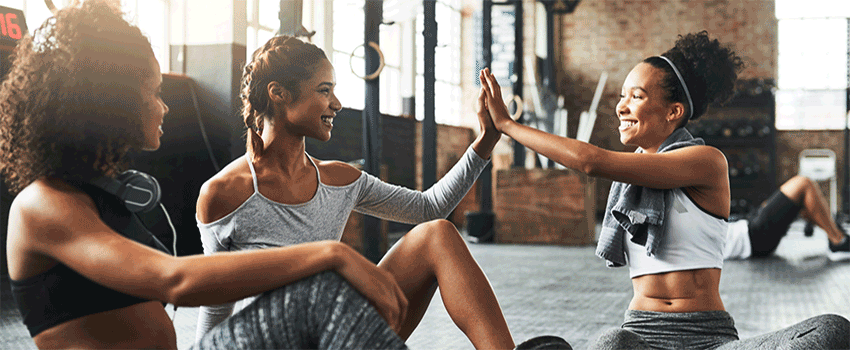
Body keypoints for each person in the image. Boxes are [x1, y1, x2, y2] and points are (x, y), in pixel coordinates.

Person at [1, 2, 410, 349]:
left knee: (323, 299)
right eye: (153, 92)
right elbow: (173, 279)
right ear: (112, 99)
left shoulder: (94, 196)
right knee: (319, 293)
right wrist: (330, 254)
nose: (164, 107)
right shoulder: (42, 205)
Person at [479, 31, 850, 349]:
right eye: (622, 96)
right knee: (612, 343)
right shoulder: (632, 175)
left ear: (673, 112)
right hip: (642, 334)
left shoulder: (705, 160)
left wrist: (508, 126)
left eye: (636, 97)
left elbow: (590, 162)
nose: (622, 107)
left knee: (830, 332)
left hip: (711, 339)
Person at [193, 34, 550, 350]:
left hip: (338, 332)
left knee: (437, 234)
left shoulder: (341, 179)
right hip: (276, 339)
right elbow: (214, 302)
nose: (337, 103)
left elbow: (429, 208)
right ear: (279, 94)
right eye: (324, 90)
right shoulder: (224, 194)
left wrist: (486, 140)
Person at [725, 175, 850, 261]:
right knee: (803, 184)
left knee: (796, 201)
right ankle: (838, 241)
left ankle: (834, 232)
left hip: (745, 225)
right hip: (752, 237)